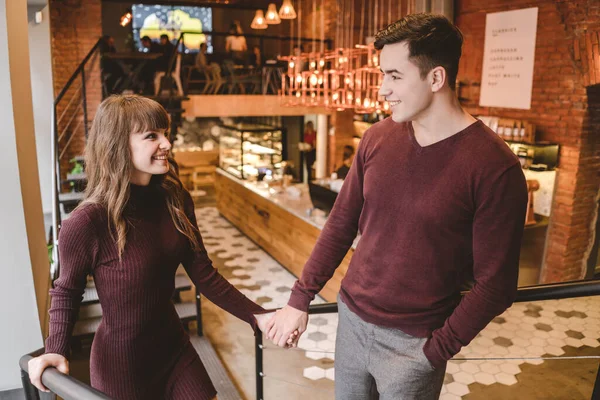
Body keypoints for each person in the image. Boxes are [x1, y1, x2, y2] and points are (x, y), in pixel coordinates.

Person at [266, 13, 528, 400]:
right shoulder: (376, 138)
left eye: (394, 76)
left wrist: (433, 353)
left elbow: (496, 285)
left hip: (415, 343)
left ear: (436, 78)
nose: (382, 90)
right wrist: (299, 298)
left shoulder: (494, 167)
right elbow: (340, 223)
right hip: (351, 321)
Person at [27, 95, 296, 399]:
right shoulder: (88, 221)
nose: (167, 143)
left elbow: (204, 273)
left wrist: (257, 315)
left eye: (166, 132)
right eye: (152, 136)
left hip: (174, 349)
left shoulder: (175, 199)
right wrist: (56, 350)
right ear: (118, 144)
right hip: (122, 365)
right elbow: (66, 291)